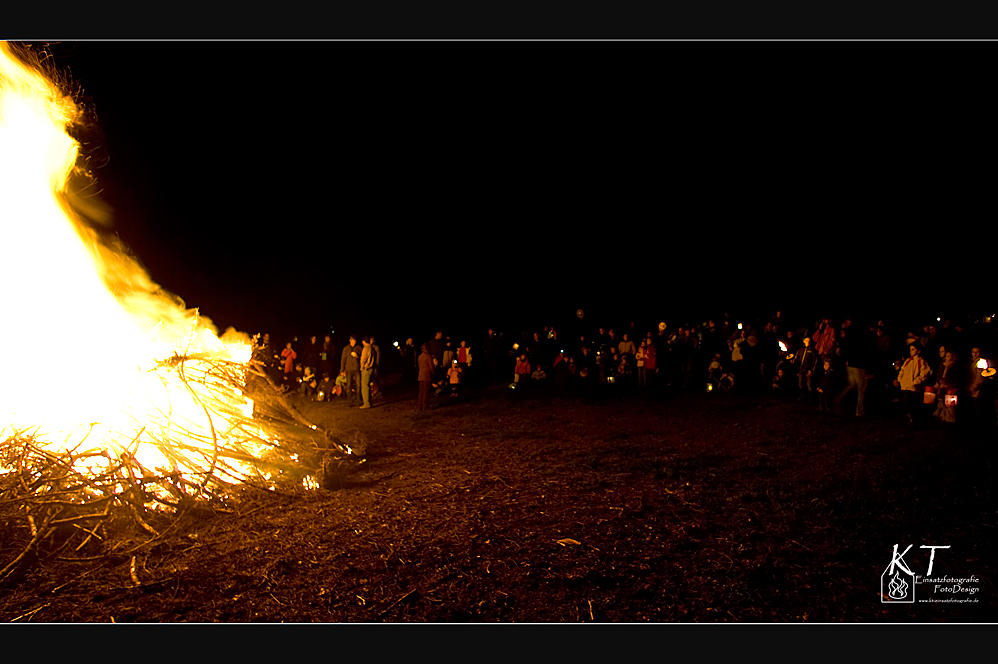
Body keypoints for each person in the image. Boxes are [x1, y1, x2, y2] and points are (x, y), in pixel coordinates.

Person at [896, 342, 932, 426]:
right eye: (910, 350)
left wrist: (916, 382)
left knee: (913, 404)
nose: (911, 351)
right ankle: (910, 419)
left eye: (913, 349)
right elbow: (902, 370)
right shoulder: (908, 361)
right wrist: (900, 379)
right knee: (906, 404)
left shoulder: (921, 361)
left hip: (913, 387)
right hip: (905, 386)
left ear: (918, 351)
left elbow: (924, 373)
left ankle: (915, 421)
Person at [340, 336, 362, 406]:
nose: (353, 342)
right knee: (349, 385)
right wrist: (342, 370)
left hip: (356, 369)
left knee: (358, 385)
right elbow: (343, 360)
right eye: (352, 341)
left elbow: (362, 357)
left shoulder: (358, 348)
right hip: (349, 369)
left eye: (355, 341)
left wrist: (357, 356)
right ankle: (349, 401)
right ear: (350, 340)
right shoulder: (346, 349)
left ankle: (358, 400)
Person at [359, 337, 376, 409]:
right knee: (367, 385)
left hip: (366, 368)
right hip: (371, 368)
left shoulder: (366, 348)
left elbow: (363, 359)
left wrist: (362, 366)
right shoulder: (372, 348)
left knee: (364, 386)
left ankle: (366, 403)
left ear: (363, 342)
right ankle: (369, 402)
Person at [417, 344, 435, 411]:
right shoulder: (428, 356)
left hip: (420, 375)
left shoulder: (419, 356)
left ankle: (420, 406)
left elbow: (419, 366)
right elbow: (431, 367)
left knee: (421, 392)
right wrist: (434, 372)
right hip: (427, 375)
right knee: (425, 392)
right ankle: (425, 406)